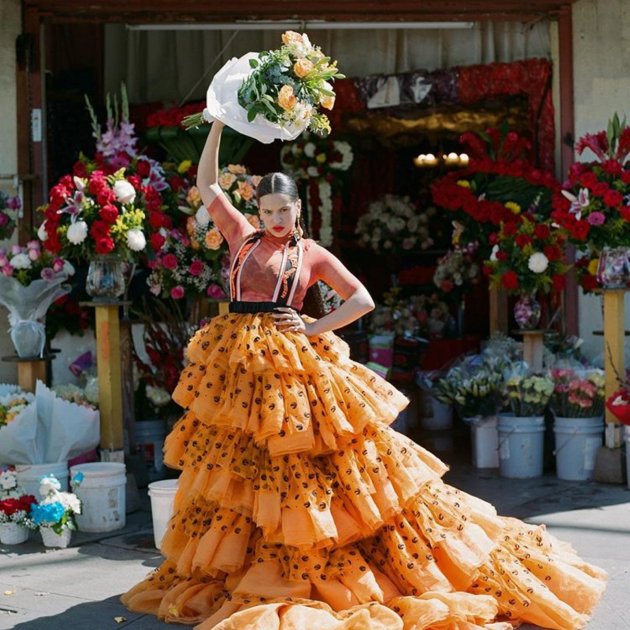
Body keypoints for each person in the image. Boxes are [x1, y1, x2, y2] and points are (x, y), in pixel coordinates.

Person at [122, 121, 606, 630]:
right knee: (240, 468)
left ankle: (314, 561)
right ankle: (252, 566)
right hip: (239, 363)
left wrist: (314, 328)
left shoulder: (310, 253)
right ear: (257, 211)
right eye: (267, 211)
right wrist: (219, 121)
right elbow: (207, 185)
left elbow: (362, 299)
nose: (276, 219)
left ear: (298, 209)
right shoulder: (240, 235)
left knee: (310, 463)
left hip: (293, 361)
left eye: (284, 211)